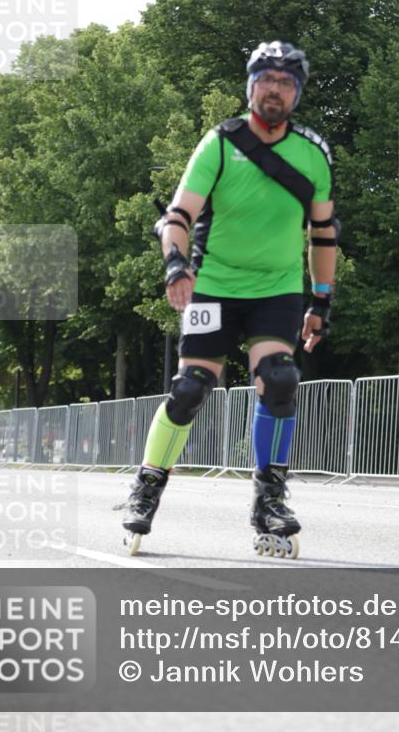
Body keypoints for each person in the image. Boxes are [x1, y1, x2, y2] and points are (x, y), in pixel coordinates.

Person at [122, 40, 338, 557]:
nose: (275, 89)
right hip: (214, 285)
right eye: (266, 79)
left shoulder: (313, 153)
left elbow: (325, 233)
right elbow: (178, 216)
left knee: (280, 380)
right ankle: (147, 488)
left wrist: (321, 302)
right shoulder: (219, 144)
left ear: (297, 93)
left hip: (278, 290)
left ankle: (269, 497)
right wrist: (177, 264)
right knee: (191, 388)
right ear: (250, 86)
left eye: (286, 82)